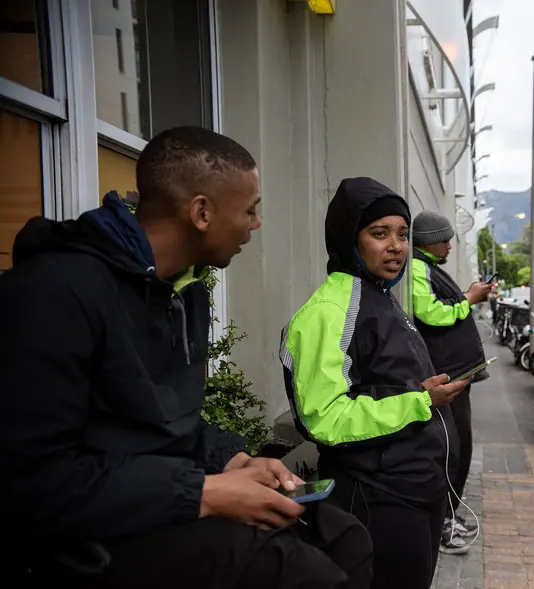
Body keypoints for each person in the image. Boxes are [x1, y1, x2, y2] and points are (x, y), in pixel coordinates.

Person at [0, 127, 372, 589]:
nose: (256, 224)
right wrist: (204, 492)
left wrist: (231, 460)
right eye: (251, 209)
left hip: (157, 497)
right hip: (82, 539)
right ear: (201, 211)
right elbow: (31, 483)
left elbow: (163, 423)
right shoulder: (53, 294)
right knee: (303, 575)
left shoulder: (183, 294)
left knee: (343, 538)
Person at [280, 178, 468, 589]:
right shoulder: (329, 310)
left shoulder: (378, 295)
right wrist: (422, 401)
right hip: (378, 500)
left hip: (415, 493)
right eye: (379, 233)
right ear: (350, 238)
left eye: (403, 234)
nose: (397, 246)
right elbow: (325, 418)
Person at [410, 210, 492, 555]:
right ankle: (442, 521)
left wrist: (466, 295)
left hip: (457, 374)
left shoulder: (427, 268)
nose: (450, 246)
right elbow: (431, 313)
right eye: (446, 239)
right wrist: (468, 299)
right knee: (451, 450)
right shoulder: (416, 268)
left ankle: (448, 514)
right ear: (430, 241)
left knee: (460, 447)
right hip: (447, 378)